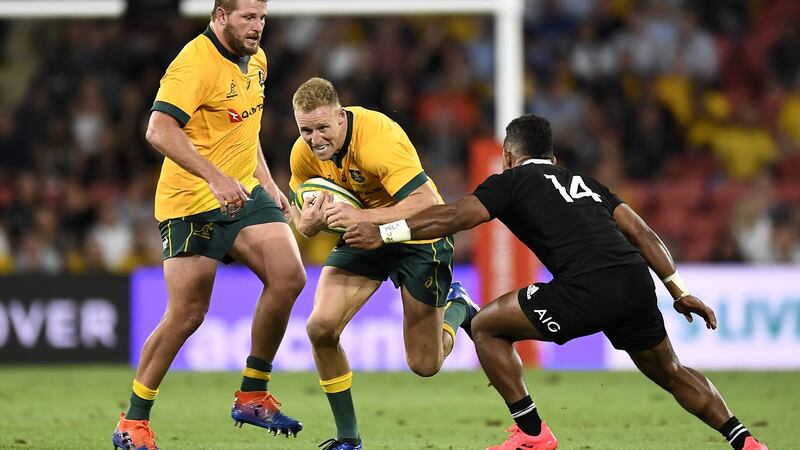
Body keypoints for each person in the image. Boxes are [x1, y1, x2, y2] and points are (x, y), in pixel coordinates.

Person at [344, 114, 769, 450]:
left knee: (485, 327)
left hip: (586, 287)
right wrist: (679, 290)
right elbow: (641, 232)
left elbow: (455, 217)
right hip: (636, 282)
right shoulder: (585, 183)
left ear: (509, 154)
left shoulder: (511, 180)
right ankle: (745, 440)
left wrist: (385, 232)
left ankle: (531, 432)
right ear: (552, 156)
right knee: (672, 371)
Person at [112, 1, 306, 449]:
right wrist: (214, 176)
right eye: (247, 18)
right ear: (220, 16)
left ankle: (253, 393)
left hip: (242, 192)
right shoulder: (193, 62)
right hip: (191, 201)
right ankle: (133, 420)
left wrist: (267, 181)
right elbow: (158, 129)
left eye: (261, 17)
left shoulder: (257, 59)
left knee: (289, 276)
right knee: (187, 315)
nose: (257, 27)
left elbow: (243, 127)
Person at [288, 77, 479, 450]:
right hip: (363, 237)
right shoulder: (303, 153)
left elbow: (427, 203)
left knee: (426, 364)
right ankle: (349, 439)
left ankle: (459, 306)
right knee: (321, 328)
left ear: (341, 117)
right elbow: (304, 214)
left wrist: (368, 220)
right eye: (306, 130)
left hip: (419, 236)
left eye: (323, 127)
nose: (315, 139)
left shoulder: (378, 139)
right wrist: (304, 223)